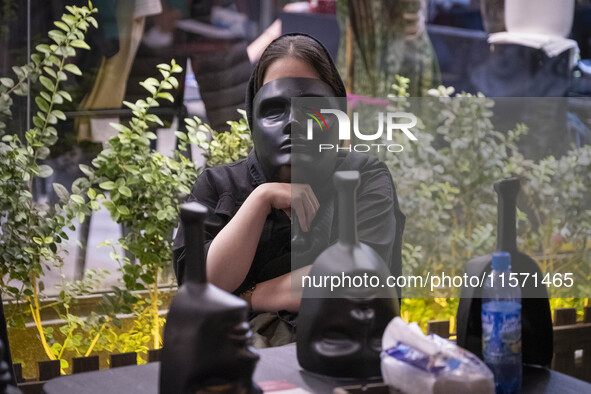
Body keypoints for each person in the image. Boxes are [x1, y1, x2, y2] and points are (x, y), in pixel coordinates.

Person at [173, 33, 405, 346]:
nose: (294, 122)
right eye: (273, 109)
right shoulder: (219, 186)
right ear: (253, 118)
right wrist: (261, 199)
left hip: (342, 356)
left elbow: (356, 281)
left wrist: (253, 296)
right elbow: (200, 290)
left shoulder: (362, 176)